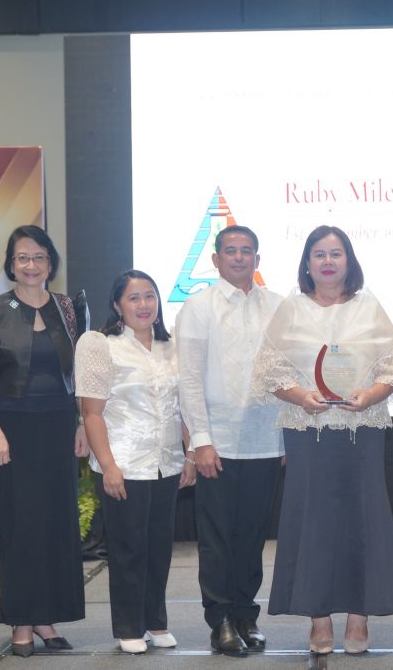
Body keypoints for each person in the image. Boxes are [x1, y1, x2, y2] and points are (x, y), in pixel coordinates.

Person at [252, 224, 393, 655]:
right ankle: (318, 617)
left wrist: (371, 396)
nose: (328, 261)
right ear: (307, 263)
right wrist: (300, 397)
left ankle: (360, 616)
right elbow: (270, 371)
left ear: (349, 261)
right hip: (309, 432)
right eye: (319, 254)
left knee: (364, 519)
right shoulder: (291, 308)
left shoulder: (368, 307)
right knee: (313, 522)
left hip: (362, 431)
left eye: (336, 253)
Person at [0, 225, 87, 657]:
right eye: (22, 257)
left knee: (55, 523)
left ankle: (45, 618)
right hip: (12, 430)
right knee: (21, 525)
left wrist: (82, 423)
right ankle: (21, 619)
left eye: (38, 257)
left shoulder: (68, 308)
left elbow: (82, 375)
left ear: (50, 263)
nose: (31, 265)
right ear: (11, 264)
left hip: (59, 427)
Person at [75, 270, 197, 654]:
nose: (143, 305)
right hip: (123, 462)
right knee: (128, 549)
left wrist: (190, 454)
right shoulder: (101, 345)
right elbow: (92, 413)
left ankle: (156, 621)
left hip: (167, 461)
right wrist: (108, 464)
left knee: (159, 548)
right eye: (133, 298)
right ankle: (129, 626)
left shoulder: (171, 347)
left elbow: (183, 406)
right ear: (117, 305)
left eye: (149, 296)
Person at [176, 225, 284, 657]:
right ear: (216, 259)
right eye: (231, 250)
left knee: (253, 536)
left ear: (257, 259)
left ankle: (245, 616)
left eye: (247, 251)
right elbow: (188, 379)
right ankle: (219, 620)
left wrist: (286, 439)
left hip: (266, 440)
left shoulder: (278, 306)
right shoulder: (199, 307)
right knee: (216, 537)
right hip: (217, 443)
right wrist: (200, 441)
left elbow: (288, 373)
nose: (239, 257)